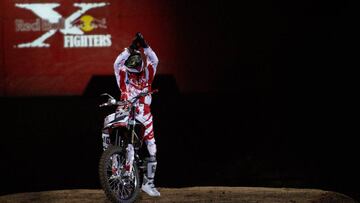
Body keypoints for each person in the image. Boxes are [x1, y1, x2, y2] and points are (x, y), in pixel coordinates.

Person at [102, 32, 160, 197]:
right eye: (130, 71)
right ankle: (110, 159)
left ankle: (148, 184)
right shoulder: (122, 73)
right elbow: (116, 63)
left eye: (135, 71)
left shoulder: (147, 73)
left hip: (144, 115)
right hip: (125, 110)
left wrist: (145, 45)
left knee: (152, 148)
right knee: (107, 125)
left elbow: (155, 60)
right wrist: (131, 48)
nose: (132, 74)